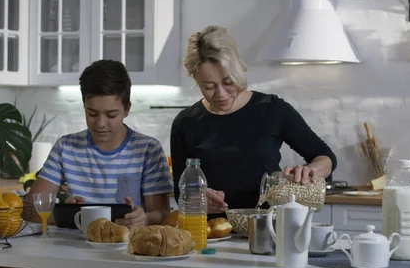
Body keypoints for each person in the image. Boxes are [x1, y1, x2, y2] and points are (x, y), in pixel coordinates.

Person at [171, 25, 337, 215]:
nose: (221, 94)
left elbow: (325, 158)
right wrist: (196, 201)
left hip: (269, 229)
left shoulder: (272, 109)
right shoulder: (185, 123)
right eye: (209, 87)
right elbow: (180, 193)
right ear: (195, 79)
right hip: (212, 233)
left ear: (240, 68)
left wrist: (311, 170)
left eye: (228, 82)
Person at [25, 60, 173, 227]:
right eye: (92, 114)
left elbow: (162, 215)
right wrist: (67, 214)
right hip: (74, 249)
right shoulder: (66, 148)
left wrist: (144, 219)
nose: (100, 123)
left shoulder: (148, 150)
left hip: (128, 248)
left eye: (111, 115)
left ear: (127, 109)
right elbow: (30, 210)